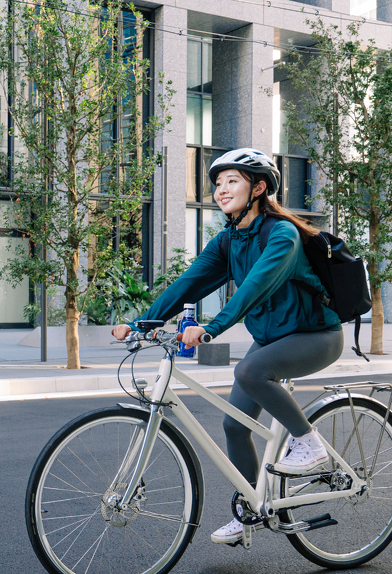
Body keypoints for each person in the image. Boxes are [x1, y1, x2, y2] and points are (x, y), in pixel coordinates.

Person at [111, 148, 344, 545]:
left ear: (259, 188)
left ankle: (309, 442)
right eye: (218, 183)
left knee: (249, 371)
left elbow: (254, 288)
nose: (221, 189)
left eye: (232, 181)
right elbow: (190, 283)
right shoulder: (229, 240)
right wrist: (143, 322)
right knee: (235, 425)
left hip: (316, 336)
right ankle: (251, 509)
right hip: (271, 339)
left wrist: (212, 328)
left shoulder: (282, 234)